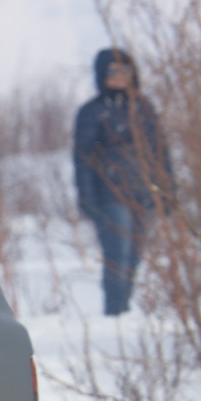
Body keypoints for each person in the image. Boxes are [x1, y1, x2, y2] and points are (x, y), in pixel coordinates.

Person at [73, 47, 172, 317]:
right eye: (113, 71)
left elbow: (161, 152)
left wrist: (168, 192)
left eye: (125, 70)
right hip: (110, 194)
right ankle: (115, 312)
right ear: (102, 74)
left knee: (135, 257)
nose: (119, 76)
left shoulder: (144, 108)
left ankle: (124, 309)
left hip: (145, 192)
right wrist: (87, 199)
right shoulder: (91, 112)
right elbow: (83, 159)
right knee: (117, 255)